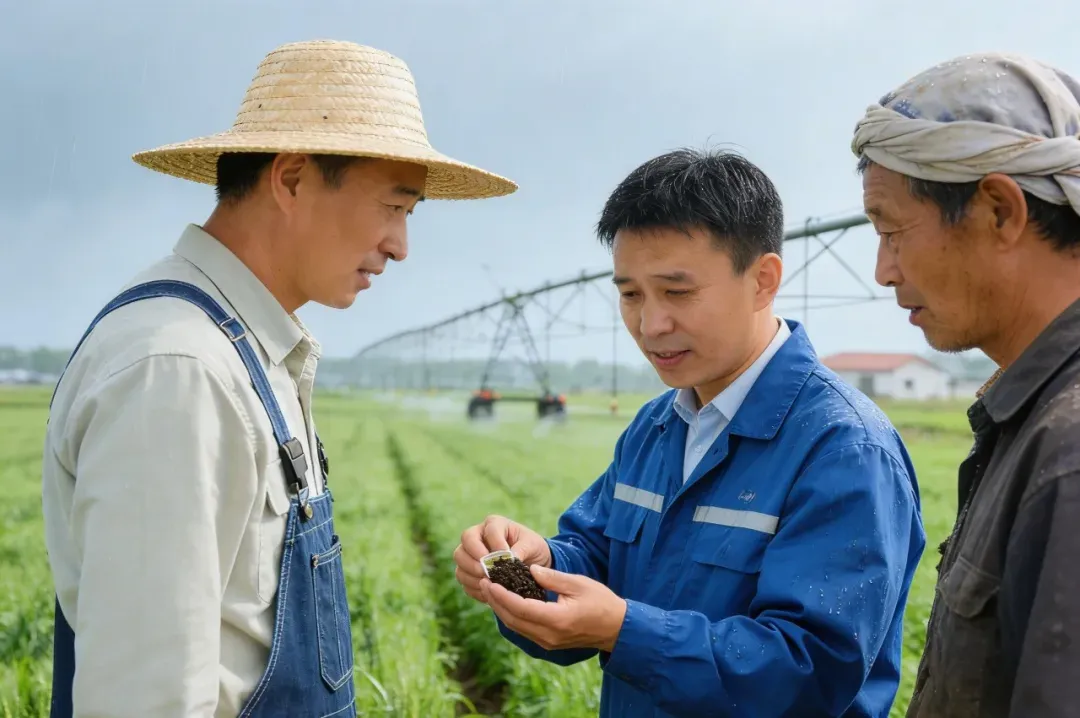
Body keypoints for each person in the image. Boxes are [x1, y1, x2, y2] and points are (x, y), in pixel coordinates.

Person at [42, 39, 515, 718]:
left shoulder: (245, 349)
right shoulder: (179, 370)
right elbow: (145, 701)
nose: (400, 246)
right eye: (394, 206)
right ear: (291, 179)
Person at [453, 148, 927, 717]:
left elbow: (811, 670)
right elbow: (597, 556)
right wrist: (536, 567)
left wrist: (623, 631)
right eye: (631, 294)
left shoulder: (844, 448)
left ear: (763, 281)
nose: (650, 325)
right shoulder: (656, 426)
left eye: (677, 292)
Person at [852, 52, 1080, 718]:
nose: (883, 270)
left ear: (1000, 211)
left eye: (891, 230)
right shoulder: (1034, 416)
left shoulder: (1067, 452)